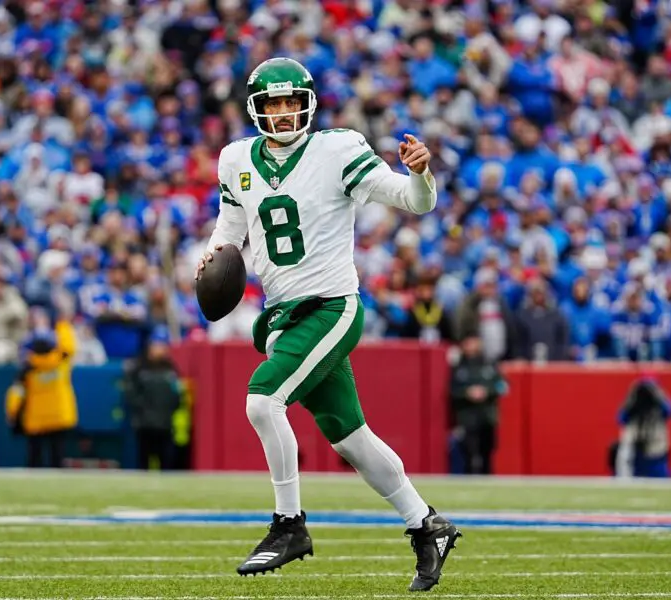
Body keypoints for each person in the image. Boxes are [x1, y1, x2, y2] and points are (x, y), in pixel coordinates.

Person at [195, 58, 461, 591]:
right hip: (281, 313)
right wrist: (209, 262)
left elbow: (415, 202)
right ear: (256, 109)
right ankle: (426, 524)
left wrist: (420, 172)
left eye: (291, 101)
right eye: (272, 103)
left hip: (332, 307)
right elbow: (229, 232)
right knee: (350, 438)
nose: (284, 112)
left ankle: (289, 525)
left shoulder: (338, 149)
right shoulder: (235, 160)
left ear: (308, 103)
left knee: (261, 400)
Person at [4, 309, 78, 468]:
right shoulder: (61, 361)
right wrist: (62, 323)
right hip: (59, 416)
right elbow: (69, 345)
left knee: (34, 459)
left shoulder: (27, 368)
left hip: (36, 419)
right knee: (57, 457)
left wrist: (12, 413)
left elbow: (16, 394)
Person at [122, 326, 184, 471]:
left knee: (166, 462)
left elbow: (176, 394)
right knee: (143, 462)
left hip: (165, 424)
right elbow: (131, 393)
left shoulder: (170, 368)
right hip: (144, 424)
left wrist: (169, 411)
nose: (160, 349)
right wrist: (144, 411)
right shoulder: (139, 367)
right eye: (157, 344)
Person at [449, 336, 506, 474]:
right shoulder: (459, 367)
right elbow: (452, 390)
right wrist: (467, 393)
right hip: (467, 416)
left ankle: (488, 479)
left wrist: (486, 391)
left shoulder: (489, 364)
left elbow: (502, 386)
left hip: (487, 416)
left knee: (487, 452)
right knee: (468, 451)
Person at [613, 378, 671, 478]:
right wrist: (632, 400)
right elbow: (621, 418)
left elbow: (670, 411)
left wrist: (657, 394)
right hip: (638, 454)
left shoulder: (659, 407)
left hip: (657, 453)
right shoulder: (634, 406)